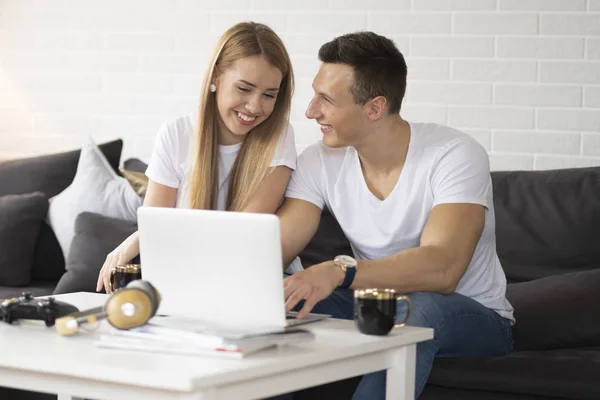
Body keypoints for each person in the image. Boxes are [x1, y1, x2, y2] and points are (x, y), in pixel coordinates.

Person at [277, 31, 515, 399]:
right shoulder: (318, 161)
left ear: (374, 108)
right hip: (370, 305)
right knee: (279, 303)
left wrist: (339, 271)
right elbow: (280, 244)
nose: (310, 111)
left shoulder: (454, 155)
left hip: (471, 317)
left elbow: (442, 269)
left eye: (326, 100)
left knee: (416, 309)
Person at [97, 21, 296, 293]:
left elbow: (246, 233)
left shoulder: (280, 136)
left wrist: (140, 236)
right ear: (216, 77)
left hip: (255, 276)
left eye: (268, 95)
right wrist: (144, 235)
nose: (254, 107)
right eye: (244, 89)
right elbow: (157, 230)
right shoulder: (176, 134)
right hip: (184, 272)